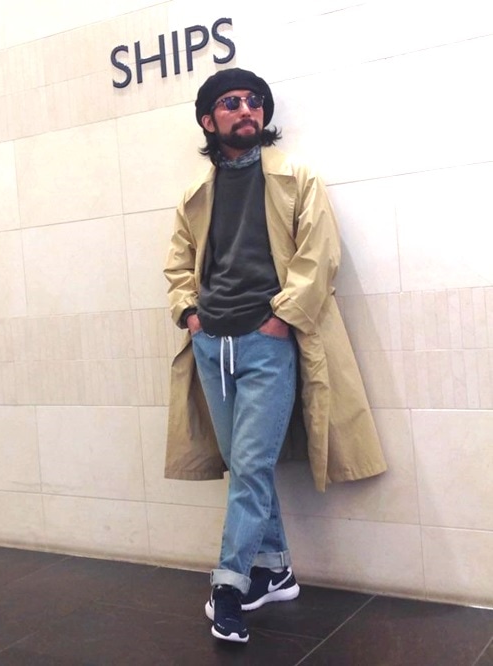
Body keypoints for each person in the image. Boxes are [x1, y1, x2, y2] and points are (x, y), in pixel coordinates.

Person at [164, 67, 387, 643]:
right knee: (244, 465)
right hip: (212, 344)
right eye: (232, 102)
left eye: (254, 101)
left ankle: (229, 584)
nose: (247, 109)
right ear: (208, 120)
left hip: (267, 342)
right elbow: (178, 265)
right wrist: (190, 315)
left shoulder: (297, 177)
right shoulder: (196, 193)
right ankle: (277, 569)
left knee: (251, 465)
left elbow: (319, 254)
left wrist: (279, 321)